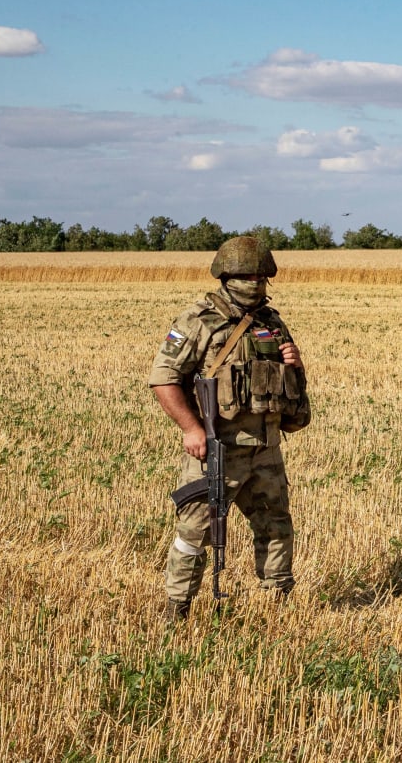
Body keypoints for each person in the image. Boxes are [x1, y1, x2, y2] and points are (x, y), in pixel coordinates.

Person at [148, 235, 311, 622]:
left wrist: (295, 363)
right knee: (194, 534)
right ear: (225, 276)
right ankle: (176, 610)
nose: (255, 283)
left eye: (260, 276)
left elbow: (289, 388)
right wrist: (191, 429)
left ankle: (278, 604)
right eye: (246, 276)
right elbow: (163, 378)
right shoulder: (198, 321)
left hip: (265, 449)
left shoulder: (271, 323)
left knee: (276, 528)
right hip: (218, 449)